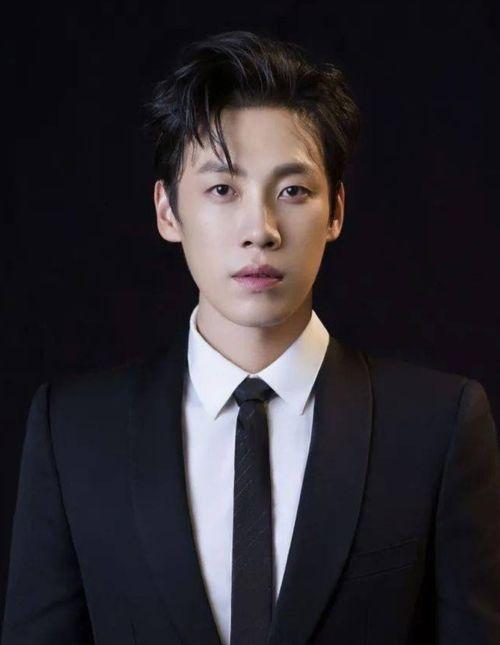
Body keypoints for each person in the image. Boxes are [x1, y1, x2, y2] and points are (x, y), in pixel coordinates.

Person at [2, 29, 499, 645]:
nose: (260, 229)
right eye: (222, 189)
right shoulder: (74, 433)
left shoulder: (438, 427)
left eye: (293, 191)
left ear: (336, 210)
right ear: (167, 211)